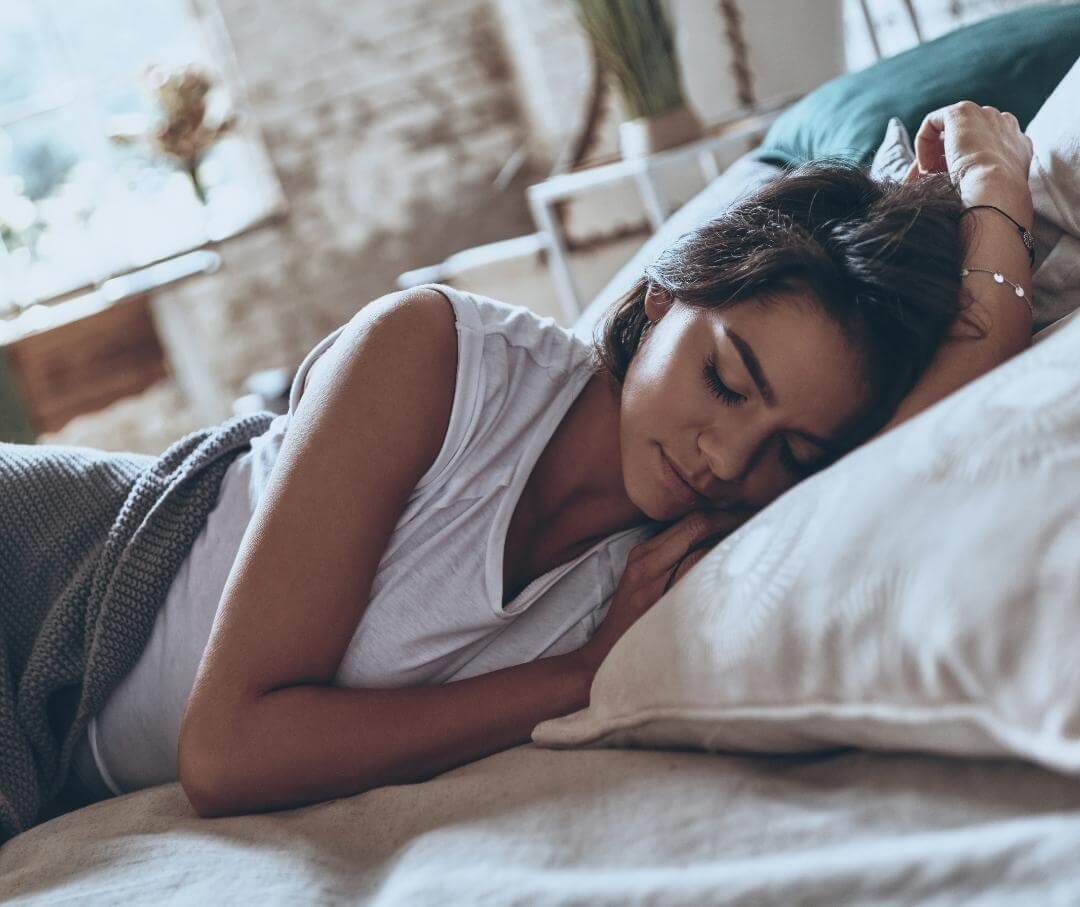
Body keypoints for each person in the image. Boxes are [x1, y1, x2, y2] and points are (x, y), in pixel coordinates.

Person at [47, 101, 1035, 824]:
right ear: (660, 302)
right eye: (727, 382)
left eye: (792, 448)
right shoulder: (435, 354)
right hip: (53, 580)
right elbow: (225, 754)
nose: (729, 457)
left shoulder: (683, 553)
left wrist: (1000, 204)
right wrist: (574, 676)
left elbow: (938, 425)